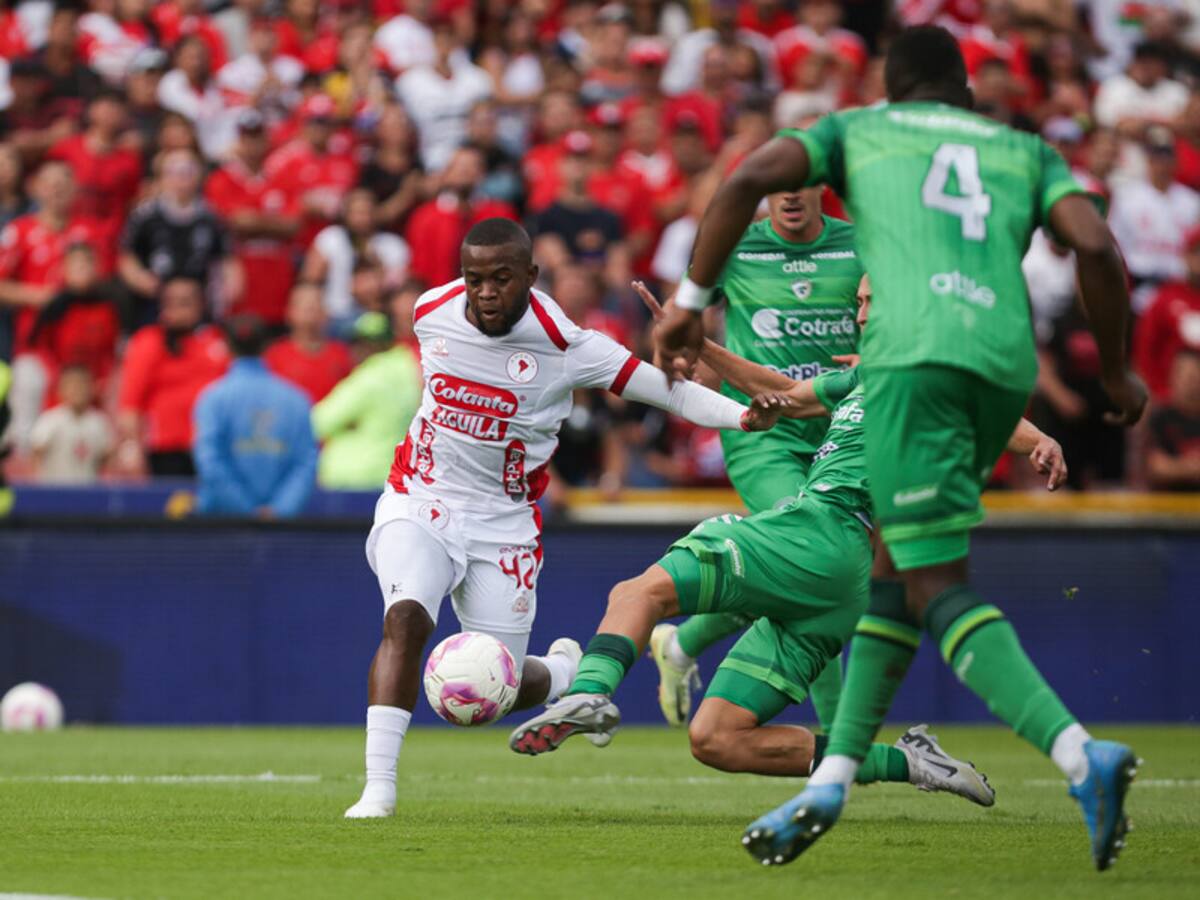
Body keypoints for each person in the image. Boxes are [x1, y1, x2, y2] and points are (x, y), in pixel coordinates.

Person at [656, 25, 1147, 871]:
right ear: (965, 90)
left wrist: (689, 303)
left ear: (890, 85)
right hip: (997, 364)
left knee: (931, 589)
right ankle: (835, 778)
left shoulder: (860, 131)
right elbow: (1096, 247)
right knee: (893, 581)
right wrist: (1116, 375)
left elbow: (749, 175)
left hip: (909, 360)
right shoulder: (1024, 148)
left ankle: (1077, 753)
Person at [510, 277, 1062, 808]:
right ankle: (914, 763)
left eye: (874, 302)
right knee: (718, 738)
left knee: (639, 593)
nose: (862, 314)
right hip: (845, 582)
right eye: (860, 302)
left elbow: (985, 412)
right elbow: (784, 395)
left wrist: (1039, 441)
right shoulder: (870, 377)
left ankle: (588, 692)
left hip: (820, 530)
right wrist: (700, 343)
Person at [343, 218, 784, 820]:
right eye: (475, 279)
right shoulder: (430, 312)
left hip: (505, 523)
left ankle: (561, 672)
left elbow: (665, 391)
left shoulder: (567, 343)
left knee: (491, 693)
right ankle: (378, 788)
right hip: (421, 497)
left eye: (501, 278)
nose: (486, 292)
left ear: (531, 276)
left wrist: (741, 417)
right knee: (407, 620)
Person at [649, 187, 863, 729]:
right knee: (815, 559)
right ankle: (841, 743)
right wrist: (677, 346)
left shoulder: (859, 244)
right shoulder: (736, 247)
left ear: (821, 185)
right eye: (779, 183)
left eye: (801, 181)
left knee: (793, 575)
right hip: (764, 431)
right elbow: (681, 312)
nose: (790, 194)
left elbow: (889, 315)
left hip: (841, 429)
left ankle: (682, 644)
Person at [193, 314, 317, 518]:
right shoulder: (296, 399)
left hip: (222, 527)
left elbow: (210, 463)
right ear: (267, 346)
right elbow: (305, 463)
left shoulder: (213, 398)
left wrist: (246, 511)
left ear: (228, 346)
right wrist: (279, 511)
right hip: (282, 531)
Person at [117, 277, 229, 477]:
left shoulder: (217, 342)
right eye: (170, 303)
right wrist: (132, 448)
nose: (176, 311)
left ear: (201, 305)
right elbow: (130, 405)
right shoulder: (149, 341)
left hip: (211, 448)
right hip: (164, 449)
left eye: (185, 303)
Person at [119, 149, 241, 327]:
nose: (181, 180)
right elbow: (127, 256)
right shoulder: (145, 216)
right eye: (175, 173)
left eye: (187, 172)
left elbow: (226, 258)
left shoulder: (211, 217)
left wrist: (229, 289)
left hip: (199, 301)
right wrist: (140, 279)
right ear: (163, 178)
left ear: (199, 176)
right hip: (156, 300)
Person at [204, 109, 300, 327]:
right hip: (239, 282)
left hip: (277, 280)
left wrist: (254, 221)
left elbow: (293, 225)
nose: (252, 144)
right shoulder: (221, 179)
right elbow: (233, 222)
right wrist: (272, 223)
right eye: (246, 137)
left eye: (257, 136)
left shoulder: (282, 177)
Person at [311, 311, 421, 490]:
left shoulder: (369, 377)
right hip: (392, 476)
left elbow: (319, 422)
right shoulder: (410, 372)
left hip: (355, 479)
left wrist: (346, 425)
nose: (353, 352)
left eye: (357, 344)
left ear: (368, 346)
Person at [301, 188, 410, 329]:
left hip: (379, 316)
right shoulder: (331, 238)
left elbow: (400, 287)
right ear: (346, 214)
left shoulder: (393, 245)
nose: (363, 218)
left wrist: (378, 274)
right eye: (357, 213)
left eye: (367, 212)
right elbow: (310, 281)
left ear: (377, 213)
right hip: (336, 315)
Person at [263, 282, 353, 404]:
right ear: (290, 312)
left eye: (317, 304)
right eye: (304, 305)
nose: (311, 309)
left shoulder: (342, 354)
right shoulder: (274, 356)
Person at [29, 364, 114, 485]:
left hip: (88, 493)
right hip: (55, 492)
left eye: (83, 384)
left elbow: (107, 459)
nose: (78, 390)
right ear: (61, 389)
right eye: (72, 385)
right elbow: (36, 454)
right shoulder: (50, 420)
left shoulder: (100, 422)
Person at [1145, 349, 1200, 491]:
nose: (1191, 383)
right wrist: (1190, 468)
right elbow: (1156, 467)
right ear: (1172, 377)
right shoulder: (1160, 418)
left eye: (1195, 375)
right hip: (1169, 505)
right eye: (1185, 375)